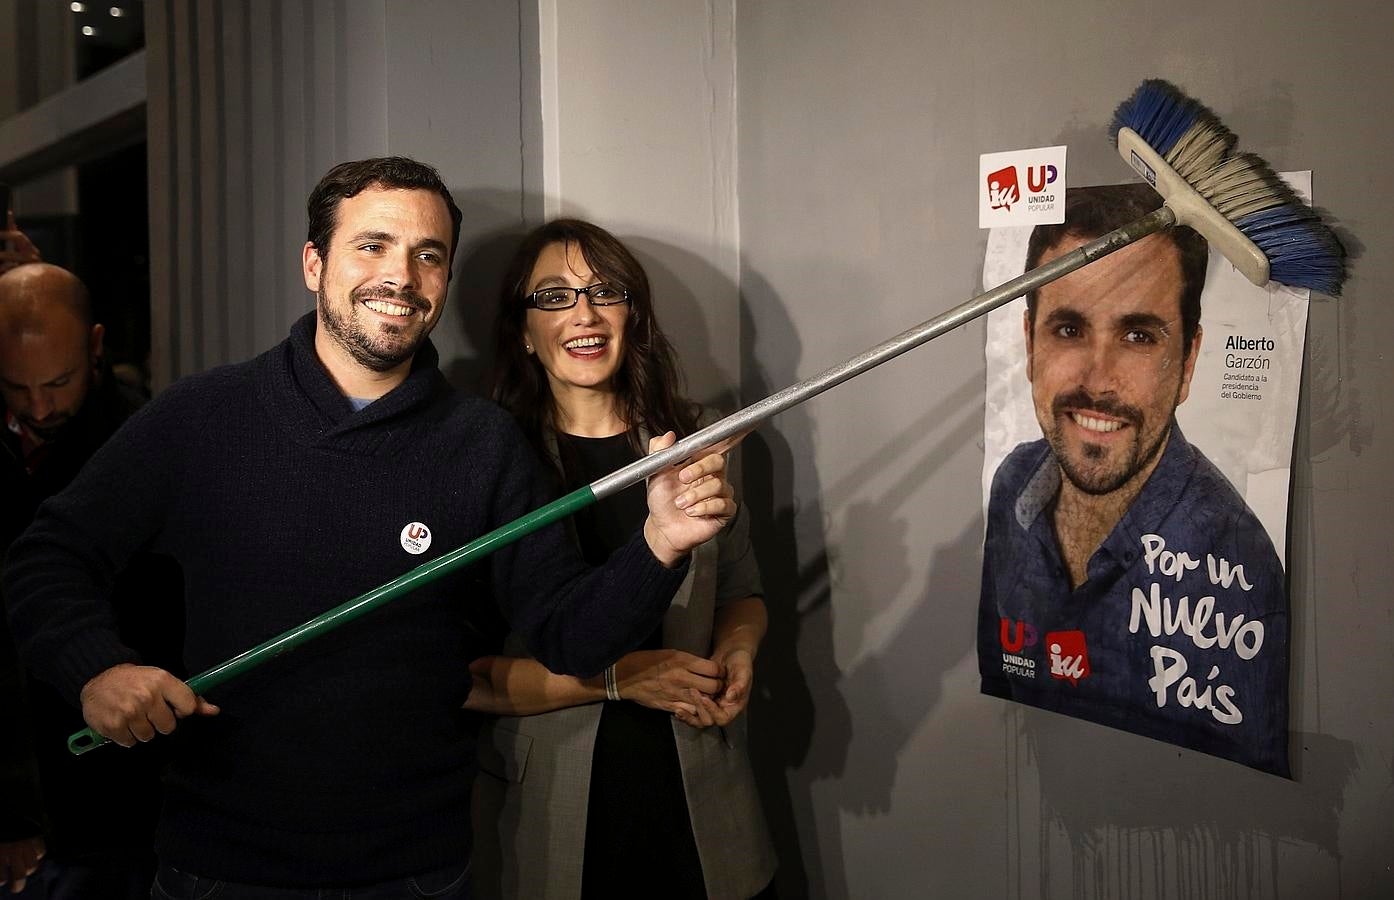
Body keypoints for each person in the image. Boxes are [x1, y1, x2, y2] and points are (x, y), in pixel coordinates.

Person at [3, 157, 739, 897]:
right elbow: (48, 555)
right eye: (372, 246)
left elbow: (571, 638)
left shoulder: (483, 445)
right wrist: (94, 668)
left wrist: (660, 542)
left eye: (429, 255)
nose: (403, 276)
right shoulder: (202, 417)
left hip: (417, 872)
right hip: (219, 868)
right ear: (314, 263)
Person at [467, 220, 777, 899]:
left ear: (631, 315)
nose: (583, 312)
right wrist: (621, 678)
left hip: (706, 806)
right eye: (553, 296)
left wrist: (739, 652)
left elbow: (743, 593)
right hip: (555, 821)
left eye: (603, 290)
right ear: (523, 332)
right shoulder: (491, 463)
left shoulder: (698, 440)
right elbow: (464, 679)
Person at [977, 184, 1289, 776]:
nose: (1098, 379)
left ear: (1189, 363)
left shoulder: (1237, 558)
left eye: (1139, 336)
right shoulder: (1012, 482)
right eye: (1068, 329)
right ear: (1029, 343)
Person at [0, 261, 181, 897]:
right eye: (15, 388)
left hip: (115, 787)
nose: (39, 406)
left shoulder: (143, 441)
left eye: (59, 380)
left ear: (97, 346)